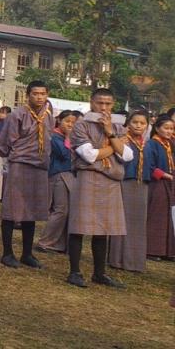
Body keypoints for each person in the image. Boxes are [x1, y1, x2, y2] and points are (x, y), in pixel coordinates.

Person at [66, 88, 129, 289]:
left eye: (108, 104)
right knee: (79, 226)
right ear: (91, 102)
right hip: (88, 177)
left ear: (113, 104)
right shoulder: (81, 125)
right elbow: (89, 155)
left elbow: (127, 156)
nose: (103, 107)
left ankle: (99, 273)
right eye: (99, 103)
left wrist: (110, 133)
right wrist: (114, 146)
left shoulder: (118, 126)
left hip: (111, 181)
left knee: (104, 228)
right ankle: (75, 272)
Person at [0, 81, 54, 269]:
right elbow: (5, 142)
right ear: (27, 95)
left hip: (40, 166)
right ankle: (7, 253)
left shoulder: (48, 115)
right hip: (20, 164)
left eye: (43, 93)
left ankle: (27, 253)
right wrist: (12, 157)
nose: (39, 97)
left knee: (32, 209)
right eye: (35, 93)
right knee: (12, 208)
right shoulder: (17, 115)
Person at [108, 111, 150, 272]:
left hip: (142, 186)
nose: (138, 126)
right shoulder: (123, 141)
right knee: (122, 221)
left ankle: (134, 261)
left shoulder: (147, 144)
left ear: (147, 126)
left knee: (138, 223)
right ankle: (117, 259)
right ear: (128, 124)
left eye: (142, 123)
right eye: (135, 122)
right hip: (125, 183)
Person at [38, 110, 79, 253]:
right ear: (59, 120)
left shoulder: (66, 137)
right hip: (58, 174)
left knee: (66, 211)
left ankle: (59, 243)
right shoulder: (54, 137)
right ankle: (45, 242)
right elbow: (64, 154)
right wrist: (68, 137)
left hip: (68, 174)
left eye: (73, 122)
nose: (70, 125)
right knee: (60, 210)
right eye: (67, 121)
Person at [143, 115, 175, 261]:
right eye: (166, 128)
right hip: (157, 184)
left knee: (169, 216)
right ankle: (152, 250)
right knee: (157, 215)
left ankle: (167, 251)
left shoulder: (169, 144)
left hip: (169, 183)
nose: (169, 131)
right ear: (157, 128)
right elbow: (148, 166)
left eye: (171, 129)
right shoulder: (151, 144)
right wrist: (164, 175)